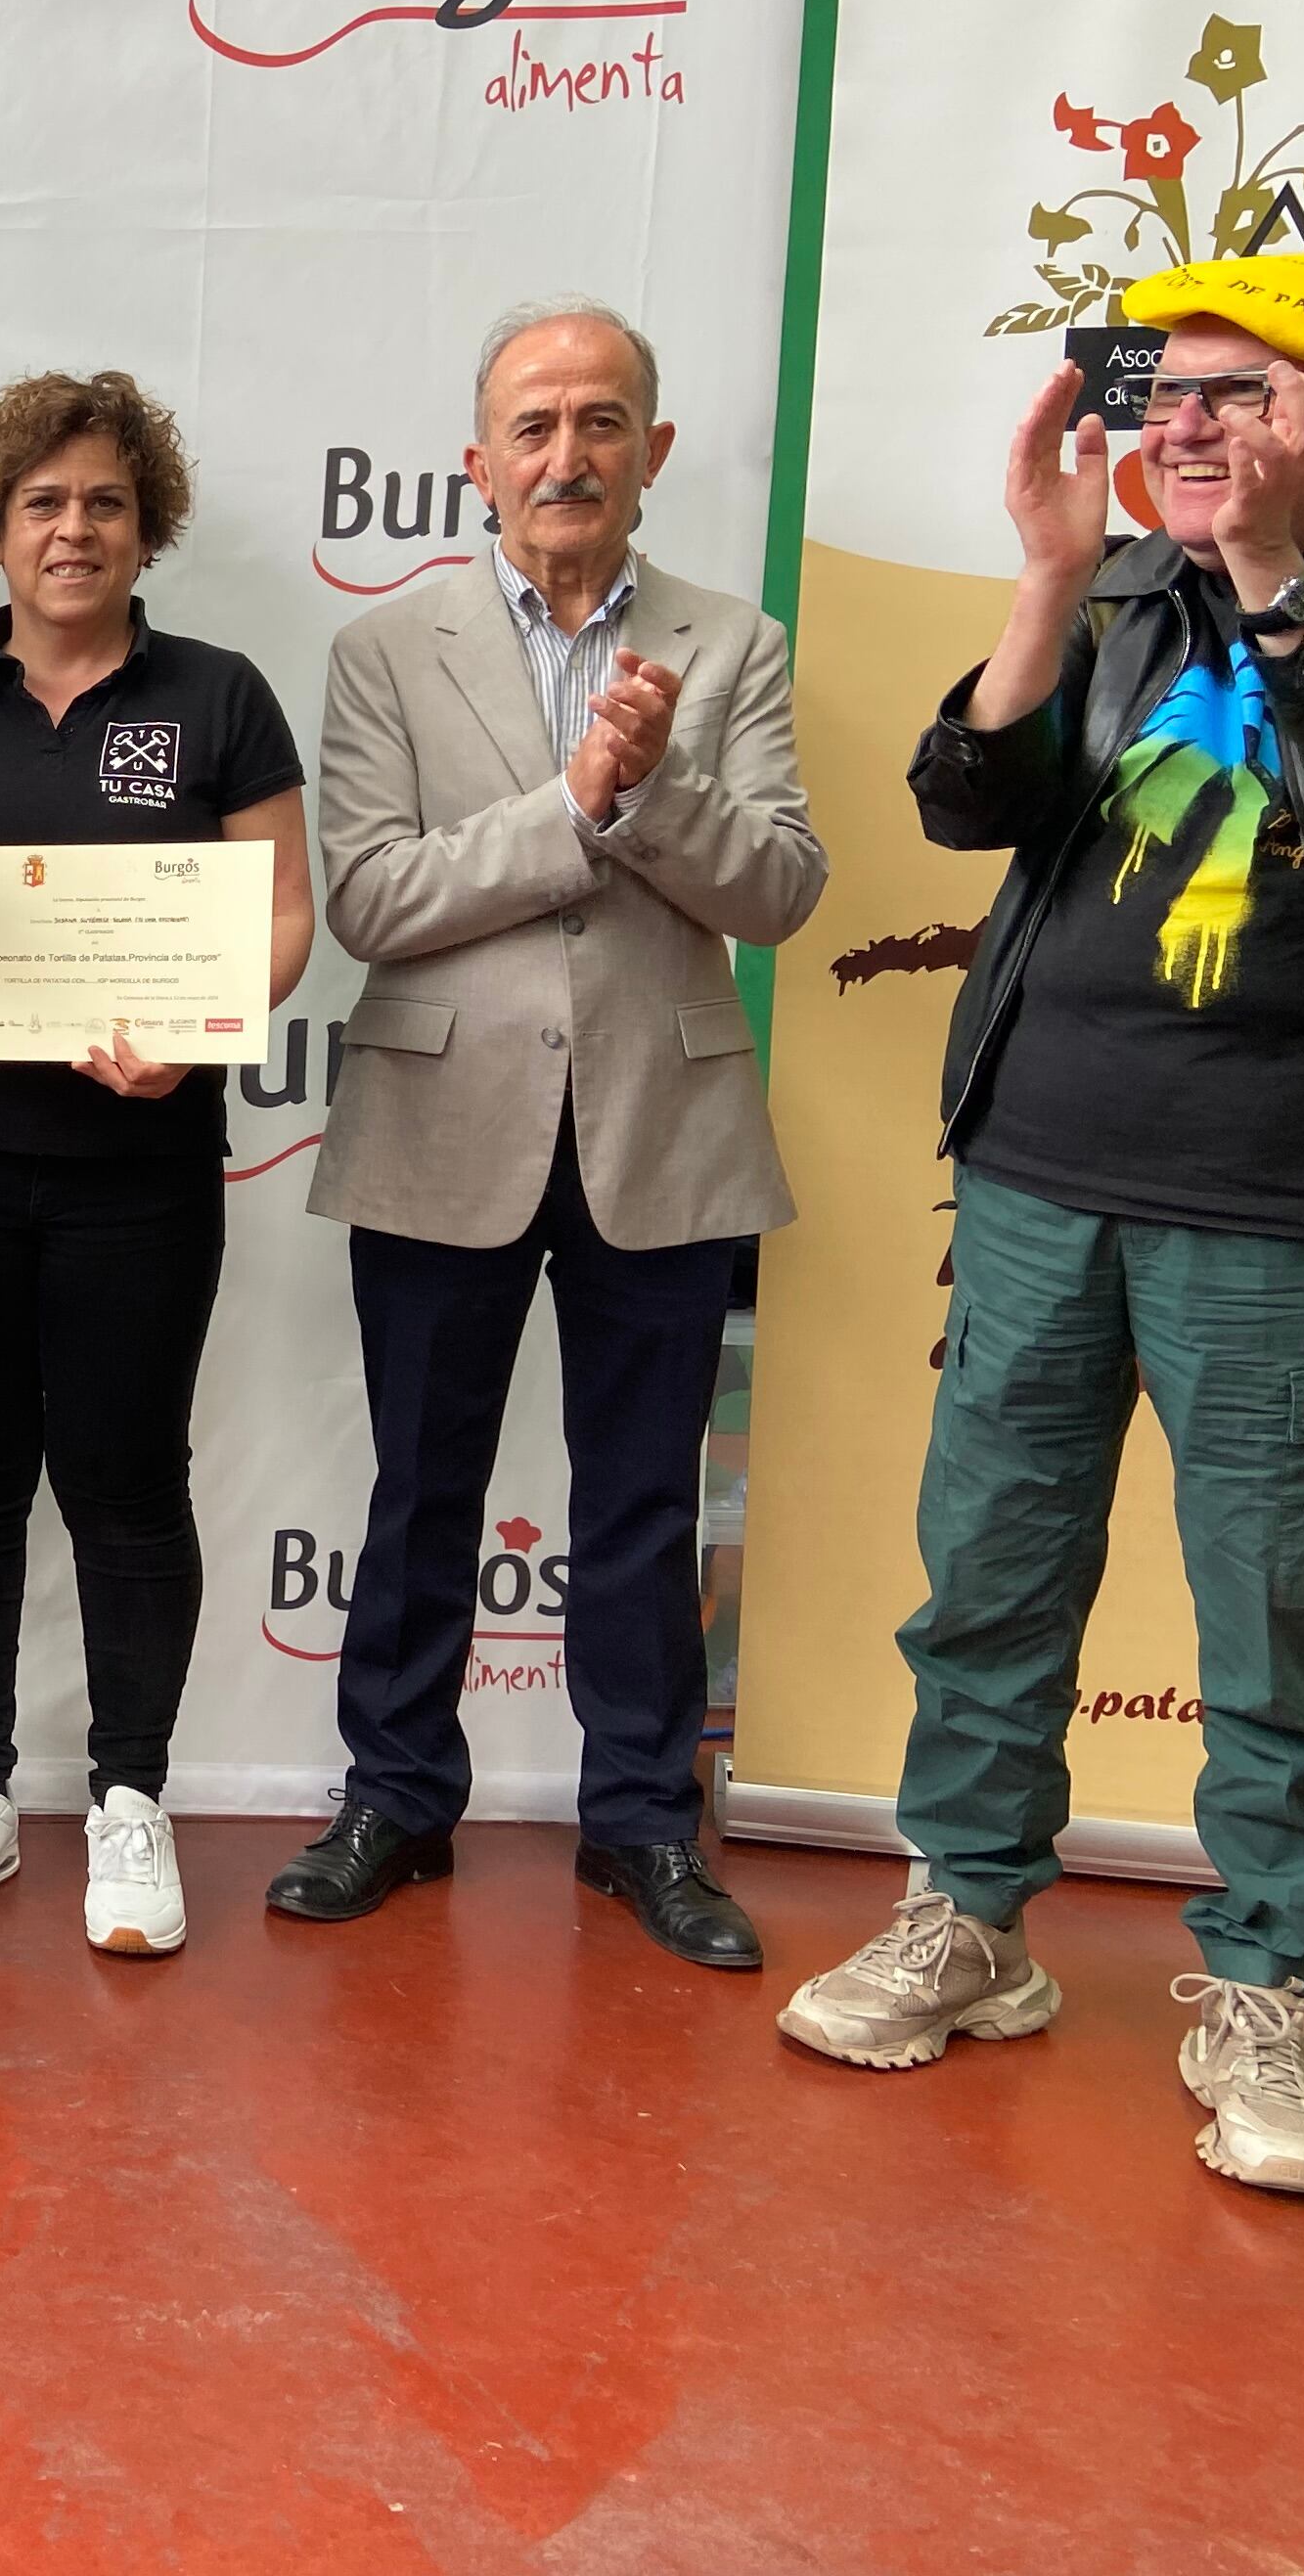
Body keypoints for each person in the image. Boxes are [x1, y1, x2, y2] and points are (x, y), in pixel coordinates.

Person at [781, 250, 1304, 2199]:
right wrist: (1038, 575)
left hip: (1289, 1201)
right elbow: (965, 800)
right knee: (993, 1569)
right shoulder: (1113, 586)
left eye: (1243, 398)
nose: (1190, 430)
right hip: (1037, 1171)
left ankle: (1267, 1992)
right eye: (1172, 396)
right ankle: (974, 1922)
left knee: (1281, 1613)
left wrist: (1275, 578)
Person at [269, 297, 821, 1969]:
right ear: (477, 464)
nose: (565, 454)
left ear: (651, 453)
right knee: (422, 1485)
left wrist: (659, 787)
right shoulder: (386, 648)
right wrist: (582, 807)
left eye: (601, 422)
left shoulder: (734, 642)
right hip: (444, 1122)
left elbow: (782, 890)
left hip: (667, 1128)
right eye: (533, 425)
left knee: (646, 1498)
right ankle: (394, 1799)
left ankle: (647, 1823)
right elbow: (370, 897)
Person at [0, 371, 316, 1958]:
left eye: (103, 500)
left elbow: (286, 910)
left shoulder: (219, 695)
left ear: (146, 523)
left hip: (142, 1170)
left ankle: (131, 1803)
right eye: (43, 503)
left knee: (126, 1482)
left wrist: (207, 1025)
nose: (74, 528)